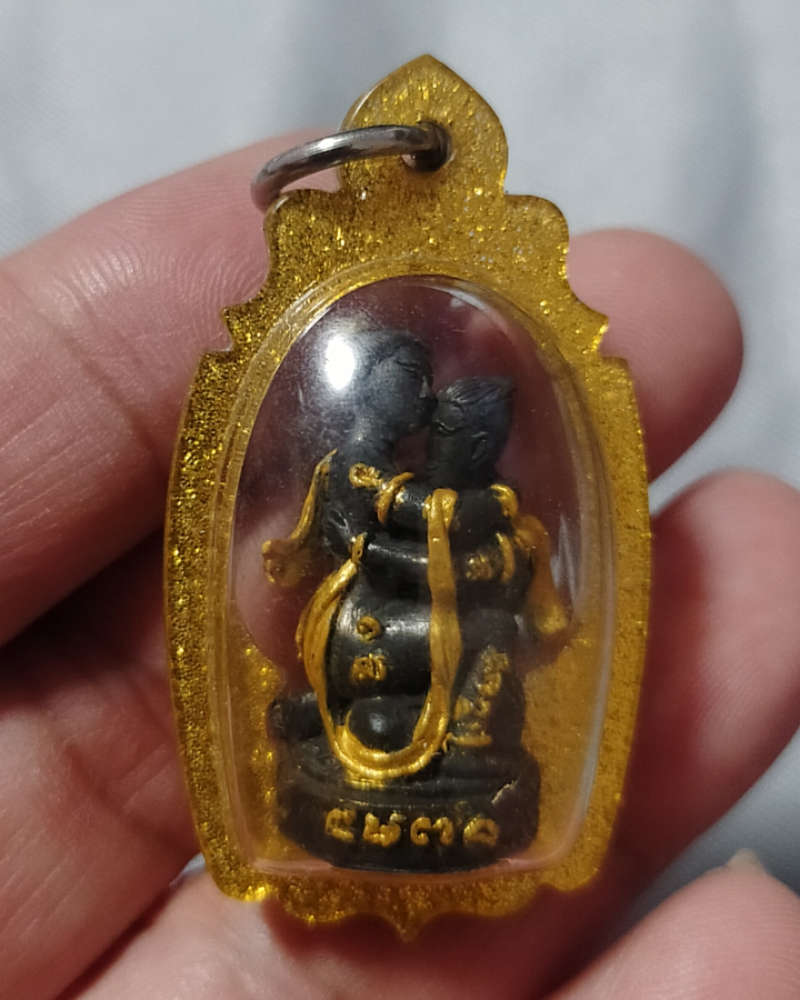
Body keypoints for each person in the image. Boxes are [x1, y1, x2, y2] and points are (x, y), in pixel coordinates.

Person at [2, 137, 800, 998]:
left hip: (430, 599)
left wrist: (482, 544)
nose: (421, 404)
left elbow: (466, 532)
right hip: (367, 603)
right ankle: (339, 721)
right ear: (378, 389)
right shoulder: (359, 469)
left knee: (476, 651)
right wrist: (432, 536)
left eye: (433, 400)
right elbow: (372, 538)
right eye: (409, 387)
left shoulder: (445, 487)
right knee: (418, 656)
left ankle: (435, 741)